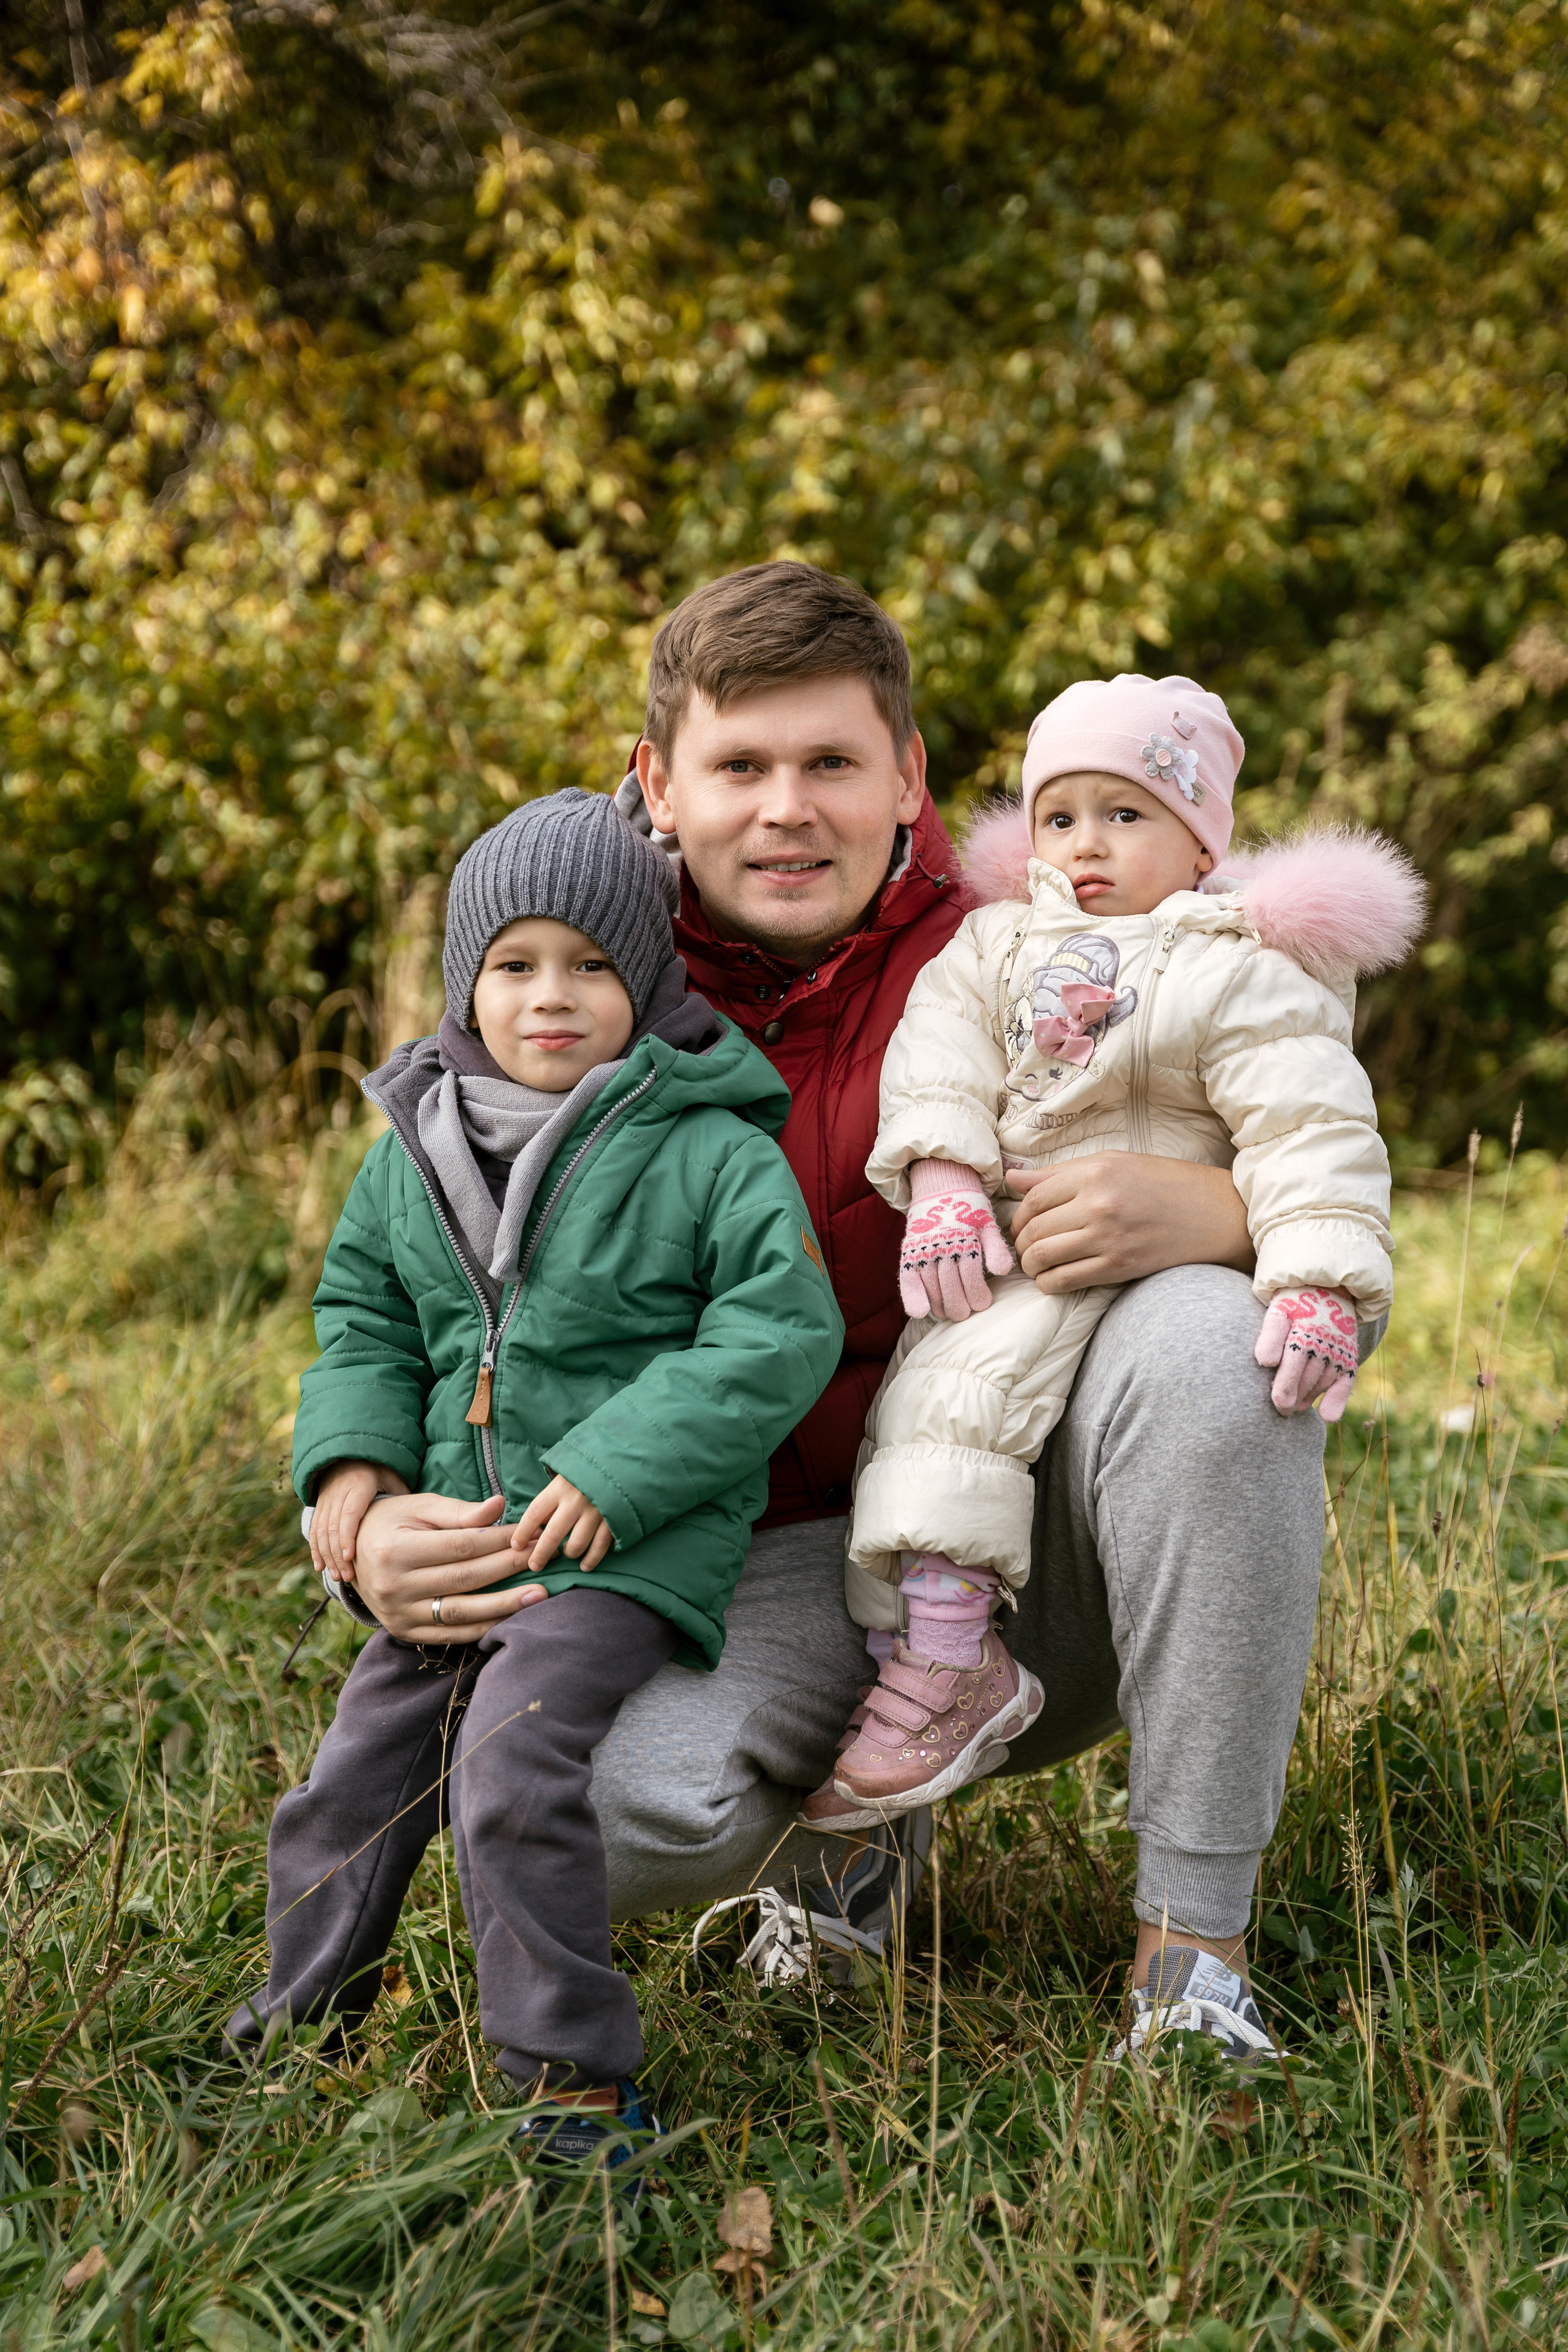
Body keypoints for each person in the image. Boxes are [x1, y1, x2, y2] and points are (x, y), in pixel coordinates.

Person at [326, 562, 1393, 2060]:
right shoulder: (563, 984)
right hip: (723, 1558)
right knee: (606, 1819)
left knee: (1214, 1346)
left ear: (904, 777)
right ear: (657, 783)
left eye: (829, 761)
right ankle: (852, 1847)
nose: (785, 808)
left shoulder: (1033, 957)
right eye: (739, 766)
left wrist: (1211, 1216)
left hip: (1023, 1539)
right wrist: (364, 1509)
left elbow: (1299, 1127)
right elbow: (394, 1275)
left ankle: (1189, 1953)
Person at [226, 788, 843, 2163]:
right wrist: (352, 1470)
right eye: (513, 965)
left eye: (590, 965)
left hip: (616, 1542)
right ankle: (294, 2030)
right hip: (458, 1538)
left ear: (649, 978)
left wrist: (618, 1466)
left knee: (511, 1763)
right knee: (352, 1774)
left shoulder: (707, 1147)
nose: (549, 997)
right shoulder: (417, 1150)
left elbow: (776, 1328)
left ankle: (572, 2079)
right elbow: (365, 1320)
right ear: (465, 982)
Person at [816, 676, 1420, 1918]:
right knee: (938, 1404)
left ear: (1201, 840)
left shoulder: (1241, 970)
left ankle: (1191, 1926)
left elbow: (1309, 1127)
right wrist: (941, 1178)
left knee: (1188, 1362)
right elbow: (939, 1055)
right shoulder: (992, 947)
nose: (1084, 847)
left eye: (1125, 816)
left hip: (1155, 1276)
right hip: (1016, 1250)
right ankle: (941, 1652)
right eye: (1060, 817)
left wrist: (1308, 1276)